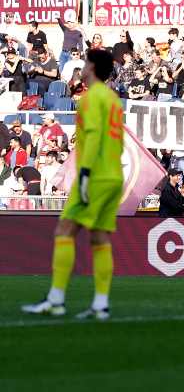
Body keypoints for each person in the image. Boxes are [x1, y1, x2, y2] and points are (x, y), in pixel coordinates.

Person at [22, 49, 123, 320]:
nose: (83, 68)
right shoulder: (112, 99)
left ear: (91, 68)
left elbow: (91, 140)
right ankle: (101, 304)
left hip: (96, 175)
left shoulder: (91, 99)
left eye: (86, 63)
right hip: (114, 174)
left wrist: (86, 176)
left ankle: (56, 299)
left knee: (64, 230)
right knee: (100, 237)